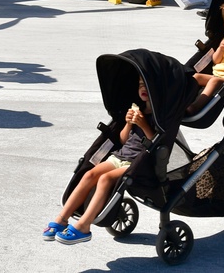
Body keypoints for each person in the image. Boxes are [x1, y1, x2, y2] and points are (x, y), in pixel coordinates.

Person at [46, 76, 155, 244]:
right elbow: (123, 140)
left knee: (105, 179)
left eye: (146, 85)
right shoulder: (137, 109)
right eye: (140, 85)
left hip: (138, 163)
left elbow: (155, 144)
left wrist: (143, 125)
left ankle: (84, 227)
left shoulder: (160, 117)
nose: (143, 88)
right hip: (121, 156)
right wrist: (128, 124)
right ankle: (62, 219)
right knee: (89, 174)